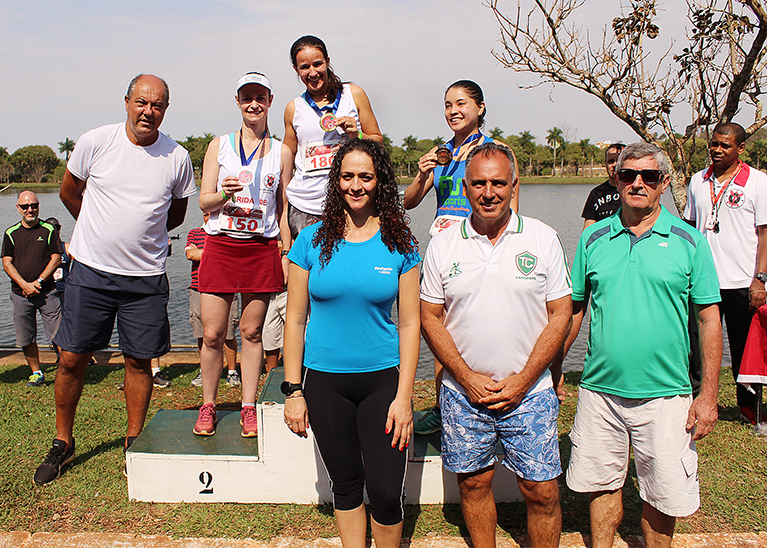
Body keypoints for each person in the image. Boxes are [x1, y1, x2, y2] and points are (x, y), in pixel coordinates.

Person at [33, 74, 196, 486]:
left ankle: (134, 441)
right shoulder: (96, 141)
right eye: (142, 102)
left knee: (139, 360)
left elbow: (174, 215)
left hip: (145, 277)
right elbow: (70, 193)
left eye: (157, 105)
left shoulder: (176, 157)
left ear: (166, 109)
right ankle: (63, 440)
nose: (148, 111)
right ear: (126, 101)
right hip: (90, 272)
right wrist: (97, 231)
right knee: (71, 358)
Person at [565, 142, 722, 548]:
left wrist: (708, 395)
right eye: (628, 174)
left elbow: (709, 319)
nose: (638, 183)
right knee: (601, 487)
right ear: (615, 179)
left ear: (664, 183)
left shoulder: (690, 242)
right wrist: (551, 372)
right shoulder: (593, 238)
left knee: (662, 495)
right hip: (600, 391)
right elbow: (575, 310)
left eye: (649, 176)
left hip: (667, 394)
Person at [420, 142, 572, 548]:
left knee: (541, 492)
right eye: (480, 184)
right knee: (473, 485)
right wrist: (466, 377)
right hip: (464, 393)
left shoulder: (543, 238)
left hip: (532, 393)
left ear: (513, 185)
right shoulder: (443, 243)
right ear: (465, 188)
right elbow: (429, 317)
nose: (489, 192)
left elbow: (561, 313)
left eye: (498, 183)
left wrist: (525, 379)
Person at [283, 139, 420, 548]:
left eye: (365, 176)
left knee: (383, 492)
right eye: (347, 176)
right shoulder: (310, 241)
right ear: (335, 180)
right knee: (345, 486)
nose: (356, 185)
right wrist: (293, 390)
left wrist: (405, 396)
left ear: (379, 181)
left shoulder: (400, 242)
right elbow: (294, 318)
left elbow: (410, 325)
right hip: (324, 383)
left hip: (382, 383)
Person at [402, 80, 520, 436]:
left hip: (482, 247)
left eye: (461, 103)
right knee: (439, 330)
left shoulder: (496, 151)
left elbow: (513, 206)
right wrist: (423, 174)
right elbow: (408, 202)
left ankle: (497, 395)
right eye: (447, 104)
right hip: (444, 250)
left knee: (483, 324)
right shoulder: (439, 155)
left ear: (480, 108)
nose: (453, 110)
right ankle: (444, 407)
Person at [194, 71, 291, 438]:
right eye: (246, 97)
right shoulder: (219, 146)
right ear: (237, 101)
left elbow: (281, 209)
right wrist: (224, 193)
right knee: (214, 333)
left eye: (260, 97)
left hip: (261, 248)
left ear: (269, 100)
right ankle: (209, 404)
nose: (254, 104)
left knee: (251, 333)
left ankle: (248, 407)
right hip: (221, 245)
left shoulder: (281, 151)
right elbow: (204, 201)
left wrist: (284, 251)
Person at [684, 122, 767, 425]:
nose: (717, 150)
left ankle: (749, 406)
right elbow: (691, 230)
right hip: (704, 281)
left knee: (745, 347)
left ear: (741, 148)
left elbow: (764, 234)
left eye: (725, 146)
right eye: (714, 144)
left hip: (742, 281)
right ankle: (696, 401)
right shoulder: (697, 180)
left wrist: (761, 279)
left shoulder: (757, 182)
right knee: (696, 346)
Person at [283, 35, 383, 242]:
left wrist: (357, 135)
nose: (312, 72)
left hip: (349, 201)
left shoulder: (353, 95)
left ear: (328, 61)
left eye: (318, 64)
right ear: (296, 69)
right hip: (305, 205)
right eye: (304, 67)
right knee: (309, 271)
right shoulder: (294, 108)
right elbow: (287, 155)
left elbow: (378, 141)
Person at [2, 192, 62, 387]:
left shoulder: (48, 230)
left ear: (38, 206)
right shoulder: (11, 233)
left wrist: (38, 281)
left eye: (34, 205)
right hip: (20, 295)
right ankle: (36, 373)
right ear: (18, 208)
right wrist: (24, 285)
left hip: (47, 293)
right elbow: (7, 263)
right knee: (26, 336)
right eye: (26, 206)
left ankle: (65, 371)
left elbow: (56, 258)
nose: (30, 209)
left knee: (59, 334)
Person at [185, 212, 240, 387]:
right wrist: (218, 254)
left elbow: (233, 256)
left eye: (211, 213)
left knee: (229, 332)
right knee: (201, 333)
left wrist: (204, 253)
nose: (208, 216)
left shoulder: (228, 232)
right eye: (206, 214)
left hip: (227, 287)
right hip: (198, 287)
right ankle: (205, 370)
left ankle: (232, 372)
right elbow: (190, 255)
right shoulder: (194, 233)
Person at [581, 142, 626, 230]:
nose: (615, 165)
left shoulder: (634, 190)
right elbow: (587, 231)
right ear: (605, 164)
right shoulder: (596, 193)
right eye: (611, 161)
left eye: (619, 161)